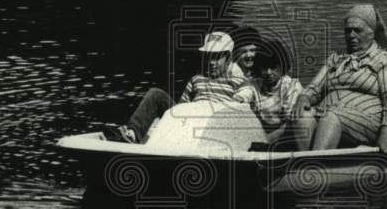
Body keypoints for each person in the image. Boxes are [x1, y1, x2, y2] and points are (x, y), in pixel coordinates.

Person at [291, 4, 387, 154]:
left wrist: (386, 131)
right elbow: (314, 89)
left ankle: (315, 167)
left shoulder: (385, 60)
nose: (351, 35)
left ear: (371, 33)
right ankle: (304, 164)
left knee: (331, 117)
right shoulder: (336, 60)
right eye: (347, 31)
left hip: (371, 123)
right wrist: (304, 97)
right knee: (302, 117)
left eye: (357, 30)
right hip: (329, 115)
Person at [103, 31, 249, 143]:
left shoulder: (238, 81)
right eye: (209, 56)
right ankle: (133, 134)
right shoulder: (196, 79)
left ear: (229, 58)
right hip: (191, 121)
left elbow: (242, 111)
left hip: (214, 127)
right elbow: (181, 109)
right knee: (155, 94)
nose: (211, 62)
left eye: (217, 57)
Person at [245, 43, 303, 145]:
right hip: (261, 135)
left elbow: (290, 123)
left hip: (286, 137)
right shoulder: (254, 85)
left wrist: (266, 140)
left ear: (282, 65)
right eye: (264, 67)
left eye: (273, 67)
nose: (268, 72)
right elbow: (243, 96)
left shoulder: (291, 86)